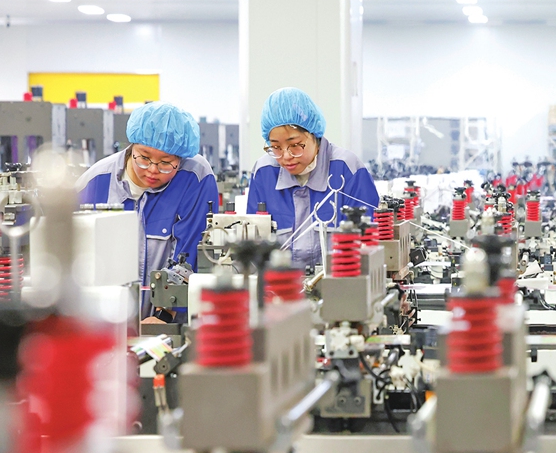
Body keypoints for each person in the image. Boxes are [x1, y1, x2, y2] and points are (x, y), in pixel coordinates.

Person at [76, 101, 219, 319]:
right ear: (131, 146)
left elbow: (191, 255)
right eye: (143, 157)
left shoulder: (196, 178)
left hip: (169, 323)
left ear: (180, 159)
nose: (152, 170)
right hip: (102, 322)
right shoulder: (95, 182)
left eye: (165, 163)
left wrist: (165, 316)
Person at [246, 87, 379, 269]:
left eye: (295, 145)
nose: (286, 156)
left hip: (340, 289)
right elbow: (253, 248)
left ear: (314, 135)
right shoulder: (264, 173)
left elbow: (369, 247)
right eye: (275, 147)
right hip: (280, 292)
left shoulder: (348, 169)